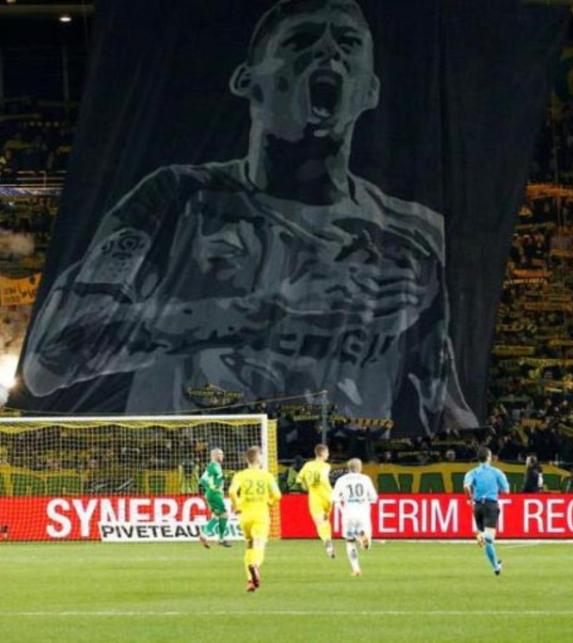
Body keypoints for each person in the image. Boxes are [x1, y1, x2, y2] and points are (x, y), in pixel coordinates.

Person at [21, 0, 476, 435]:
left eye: (348, 43)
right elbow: (50, 360)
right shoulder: (177, 198)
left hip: (335, 467)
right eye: (301, 40)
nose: (328, 51)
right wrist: (268, 307)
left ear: (370, 90)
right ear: (246, 80)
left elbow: (443, 400)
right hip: (195, 464)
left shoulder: (411, 234)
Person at [228, 446, 281, 592]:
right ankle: (255, 565)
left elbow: (231, 491)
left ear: (247, 459)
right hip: (260, 515)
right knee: (259, 544)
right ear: (259, 459)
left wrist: (237, 506)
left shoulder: (240, 475)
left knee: (249, 545)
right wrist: (269, 502)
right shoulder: (267, 476)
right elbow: (277, 495)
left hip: (245, 516)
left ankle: (250, 581)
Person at [463, 447, 508, 576]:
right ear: (489, 457)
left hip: (477, 506)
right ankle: (481, 536)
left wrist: (469, 497)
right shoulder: (496, 472)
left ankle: (496, 566)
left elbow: (466, 486)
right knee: (489, 537)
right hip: (490, 505)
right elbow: (506, 490)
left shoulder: (472, 473)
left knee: (488, 542)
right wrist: (497, 487)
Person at [331, 457, 378, 576]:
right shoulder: (365, 479)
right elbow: (374, 498)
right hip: (363, 512)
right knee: (367, 544)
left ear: (349, 468)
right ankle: (362, 537)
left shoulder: (341, 480)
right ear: (359, 467)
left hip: (348, 513)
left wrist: (342, 502)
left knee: (349, 542)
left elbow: (334, 498)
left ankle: (356, 569)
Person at [298, 443, 335, 558]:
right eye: (327, 452)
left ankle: (327, 541)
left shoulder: (307, 465)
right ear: (322, 453)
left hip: (315, 499)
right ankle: (328, 542)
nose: (328, 454)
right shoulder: (327, 466)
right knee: (325, 520)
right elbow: (324, 478)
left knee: (320, 523)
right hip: (328, 497)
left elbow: (299, 479)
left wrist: (306, 486)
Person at [198, 448, 231, 548]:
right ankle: (219, 538)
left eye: (222, 454)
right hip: (214, 494)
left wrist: (223, 478)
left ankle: (205, 535)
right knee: (224, 514)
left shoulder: (217, 466)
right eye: (220, 454)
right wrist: (211, 487)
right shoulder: (212, 466)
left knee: (216, 515)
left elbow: (216, 479)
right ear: (214, 455)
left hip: (215, 493)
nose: (222, 456)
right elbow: (202, 480)